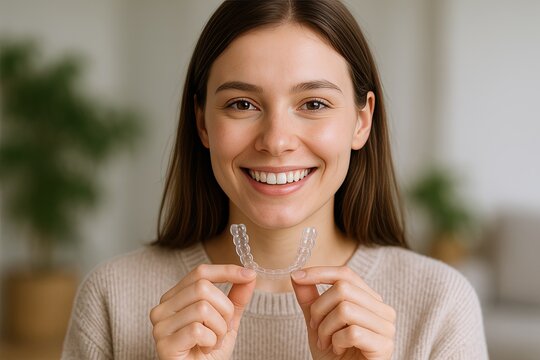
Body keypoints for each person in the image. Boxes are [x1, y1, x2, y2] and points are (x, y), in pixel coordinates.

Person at [61, 1, 488, 359]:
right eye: (242, 103)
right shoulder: (112, 298)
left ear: (361, 121)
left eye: (314, 103)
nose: (277, 141)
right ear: (202, 122)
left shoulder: (440, 304)